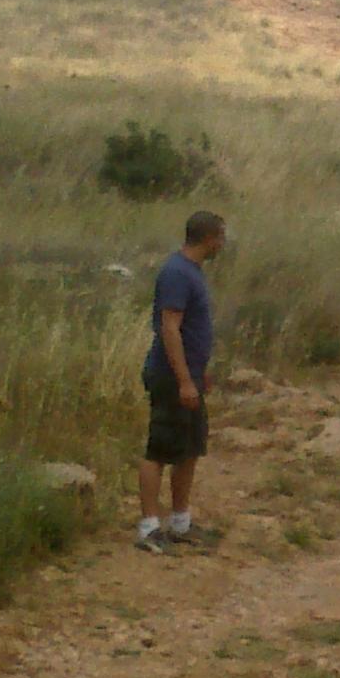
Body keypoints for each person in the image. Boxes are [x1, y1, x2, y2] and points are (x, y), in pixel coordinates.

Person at [135, 210, 226, 554]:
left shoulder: (191, 271)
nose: (223, 244)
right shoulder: (177, 273)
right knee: (159, 450)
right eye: (220, 237)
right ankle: (148, 528)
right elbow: (169, 328)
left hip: (188, 375)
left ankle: (180, 523)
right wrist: (184, 380)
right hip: (171, 376)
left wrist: (198, 372)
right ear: (209, 238)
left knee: (189, 448)